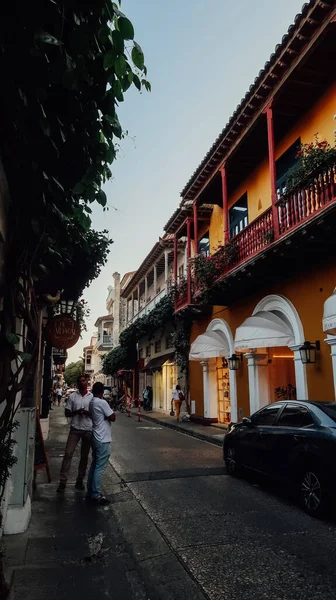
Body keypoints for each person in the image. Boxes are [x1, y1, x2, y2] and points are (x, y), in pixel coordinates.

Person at [57, 375, 93, 493]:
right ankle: (63, 482)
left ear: (87, 382)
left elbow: (95, 414)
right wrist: (77, 412)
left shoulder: (91, 397)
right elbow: (67, 413)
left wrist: (87, 413)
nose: (82, 383)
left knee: (84, 456)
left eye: (84, 380)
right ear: (77, 383)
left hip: (88, 429)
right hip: (75, 428)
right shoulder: (72, 396)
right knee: (68, 454)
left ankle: (80, 480)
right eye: (80, 381)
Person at [87, 381, 116, 505]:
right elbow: (113, 417)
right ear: (102, 392)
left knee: (95, 465)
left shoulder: (92, 402)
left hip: (96, 436)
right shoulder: (102, 402)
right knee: (100, 467)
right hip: (102, 438)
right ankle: (96, 494)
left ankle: (91, 490)